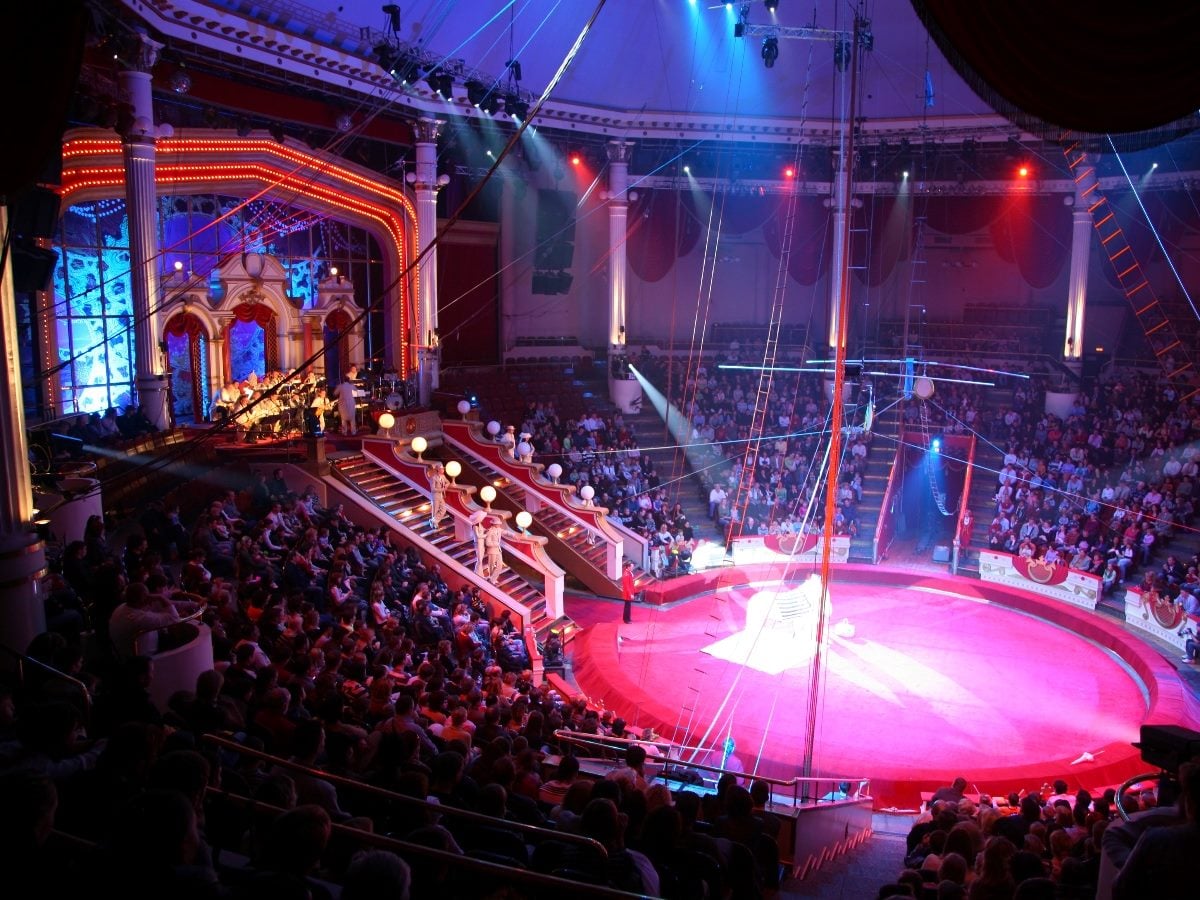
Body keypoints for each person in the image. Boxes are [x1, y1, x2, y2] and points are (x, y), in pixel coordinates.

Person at [336, 365, 363, 434]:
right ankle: (353, 432)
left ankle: (344, 432)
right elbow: (357, 391)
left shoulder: (341, 386)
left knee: (343, 419)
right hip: (350, 403)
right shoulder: (351, 386)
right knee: (352, 418)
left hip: (343, 404)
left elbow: (335, 393)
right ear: (349, 380)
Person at [483, 518, 505, 584]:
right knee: (491, 566)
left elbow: (506, 532)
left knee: (500, 565)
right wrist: (496, 543)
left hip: (498, 550)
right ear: (495, 524)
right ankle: (492, 579)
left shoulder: (499, 529)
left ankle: (493, 579)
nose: (499, 525)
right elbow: (487, 543)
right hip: (492, 550)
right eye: (498, 524)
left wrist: (514, 535)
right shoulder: (490, 531)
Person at [428, 462, 449, 529]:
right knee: (435, 510)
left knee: (443, 509)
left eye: (443, 469)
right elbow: (433, 489)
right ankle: (434, 524)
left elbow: (448, 482)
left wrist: (446, 486)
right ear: (438, 470)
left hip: (441, 496)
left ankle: (433, 521)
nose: (443, 470)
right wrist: (442, 489)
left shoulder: (443, 476)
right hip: (435, 496)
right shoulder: (433, 478)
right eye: (442, 469)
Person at [621, 559, 636, 624]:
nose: (633, 568)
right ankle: (626, 619)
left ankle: (627, 618)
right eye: (632, 567)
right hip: (627, 594)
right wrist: (630, 594)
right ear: (628, 567)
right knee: (627, 607)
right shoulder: (626, 575)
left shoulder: (629, 573)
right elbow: (627, 586)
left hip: (629, 593)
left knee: (628, 606)